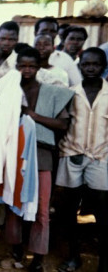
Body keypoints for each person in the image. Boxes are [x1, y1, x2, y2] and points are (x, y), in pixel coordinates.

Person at [0, 47, 73, 272]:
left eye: (32, 66)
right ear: (16, 67)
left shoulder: (51, 91)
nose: (27, 70)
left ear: (39, 68)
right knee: (14, 203)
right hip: (15, 154)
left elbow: (63, 124)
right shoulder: (10, 91)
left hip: (42, 155)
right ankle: (16, 249)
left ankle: (38, 257)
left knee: (41, 208)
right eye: (23, 66)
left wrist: (33, 116)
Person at [55, 48, 108, 272]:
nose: (91, 68)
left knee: (102, 212)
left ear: (104, 67)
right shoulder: (71, 93)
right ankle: (73, 257)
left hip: (101, 157)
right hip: (71, 154)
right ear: (80, 66)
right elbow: (63, 125)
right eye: (86, 64)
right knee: (68, 212)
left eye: (96, 64)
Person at [34, 17, 82, 86]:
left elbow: (77, 85)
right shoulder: (24, 57)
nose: (48, 34)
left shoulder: (65, 58)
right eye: (44, 31)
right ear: (35, 33)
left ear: (57, 34)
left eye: (52, 31)